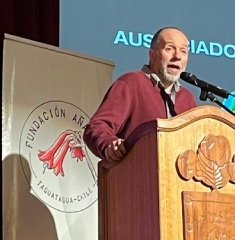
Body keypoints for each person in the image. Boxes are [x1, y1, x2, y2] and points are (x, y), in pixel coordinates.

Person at [84, 27, 198, 162]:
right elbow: (96, 127)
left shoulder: (187, 98)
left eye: (183, 51)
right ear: (152, 55)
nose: (177, 56)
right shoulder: (131, 82)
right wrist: (110, 144)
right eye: (169, 49)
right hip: (137, 176)